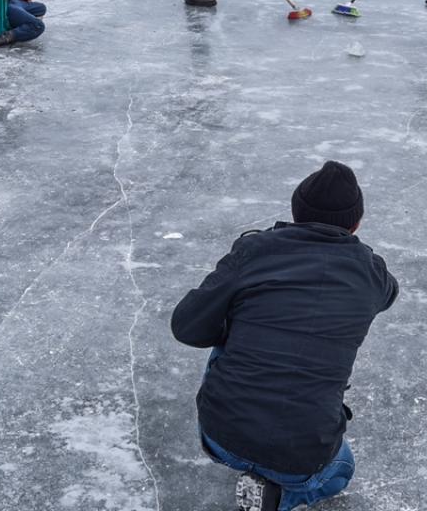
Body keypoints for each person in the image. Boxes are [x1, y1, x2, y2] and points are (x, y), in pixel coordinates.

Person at [171, 161, 399, 511]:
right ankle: (279, 498)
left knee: (232, 322)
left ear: (296, 212)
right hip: (300, 458)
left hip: (220, 436)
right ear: (356, 223)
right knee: (341, 469)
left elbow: (188, 327)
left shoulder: (254, 251)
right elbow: (389, 294)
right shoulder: (372, 274)